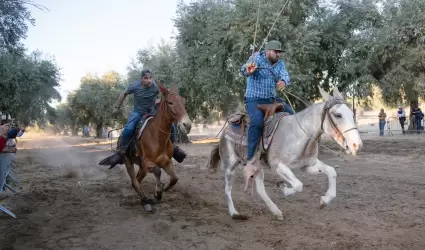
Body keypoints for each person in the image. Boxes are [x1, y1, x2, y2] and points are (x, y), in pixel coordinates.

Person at [100, 69, 187, 167]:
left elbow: (166, 96)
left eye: (150, 78)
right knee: (128, 130)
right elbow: (123, 94)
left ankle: (173, 147)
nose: (149, 80)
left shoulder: (155, 86)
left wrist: (158, 101)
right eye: (146, 78)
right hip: (137, 112)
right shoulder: (134, 86)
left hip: (152, 112)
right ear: (141, 79)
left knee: (171, 126)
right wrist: (117, 107)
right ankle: (121, 152)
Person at [240, 40, 293, 187]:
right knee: (256, 121)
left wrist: (283, 81)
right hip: (254, 100)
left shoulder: (279, 63)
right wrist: (248, 70)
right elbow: (244, 69)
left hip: (272, 99)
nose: (278, 54)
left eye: (279, 52)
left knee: (291, 115)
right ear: (268, 51)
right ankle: (250, 159)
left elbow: (286, 76)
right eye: (276, 52)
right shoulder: (256, 57)